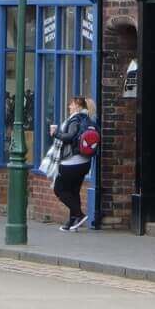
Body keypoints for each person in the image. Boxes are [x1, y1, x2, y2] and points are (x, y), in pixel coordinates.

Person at [49, 96, 97, 232]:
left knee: (59, 189)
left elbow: (70, 137)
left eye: (71, 105)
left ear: (77, 106)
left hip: (71, 162)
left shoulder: (75, 120)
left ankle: (79, 215)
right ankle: (73, 222)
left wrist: (55, 134)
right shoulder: (88, 120)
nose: (69, 107)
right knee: (73, 191)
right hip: (85, 162)